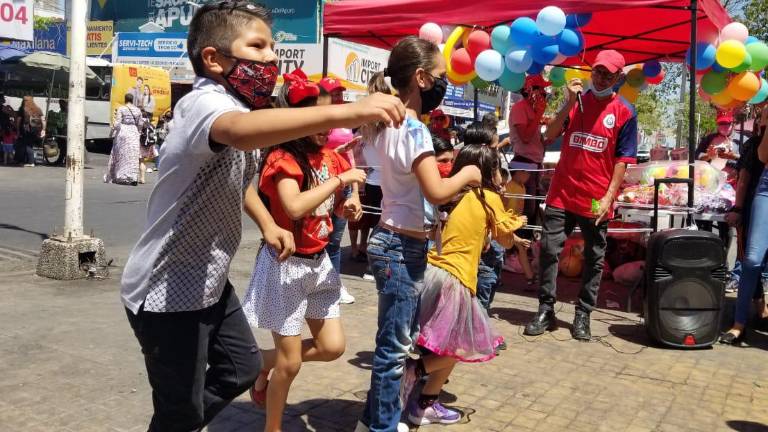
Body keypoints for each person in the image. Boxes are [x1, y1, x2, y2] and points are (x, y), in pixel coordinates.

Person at [120, 3, 404, 431]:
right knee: (180, 413)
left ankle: (183, 415)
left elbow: (242, 182)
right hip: (165, 289)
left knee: (242, 367)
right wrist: (353, 109)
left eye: (272, 46)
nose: (271, 57)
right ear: (214, 59)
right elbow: (237, 131)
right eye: (257, 46)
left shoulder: (241, 114)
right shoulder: (204, 104)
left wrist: (268, 225)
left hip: (209, 284)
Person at [355, 36, 481, 432]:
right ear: (423, 79)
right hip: (399, 245)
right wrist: (467, 173)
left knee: (394, 346)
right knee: (394, 351)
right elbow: (437, 191)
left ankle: (373, 420)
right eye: (442, 77)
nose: (447, 84)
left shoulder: (385, 125)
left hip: (396, 240)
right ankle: (382, 427)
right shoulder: (413, 130)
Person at [241, 69, 366, 431]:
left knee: (332, 347)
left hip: (320, 264)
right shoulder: (284, 157)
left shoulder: (329, 155)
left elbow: (339, 202)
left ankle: (260, 363)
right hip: (285, 266)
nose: (327, 124)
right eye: (318, 117)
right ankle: (273, 425)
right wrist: (341, 182)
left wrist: (350, 203)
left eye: (329, 116)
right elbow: (294, 206)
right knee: (291, 363)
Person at [404, 144, 525, 425]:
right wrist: (516, 222)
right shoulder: (487, 197)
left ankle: (424, 404)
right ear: (486, 172)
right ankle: (413, 371)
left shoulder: (455, 193)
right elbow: (504, 240)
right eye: (498, 169)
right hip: (454, 280)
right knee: (465, 347)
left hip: (432, 273)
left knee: (448, 349)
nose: (502, 176)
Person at [524, 50, 638, 341]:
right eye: (598, 72)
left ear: (619, 78)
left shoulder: (625, 111)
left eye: (608, 74)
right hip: (562, 193)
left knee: (593, 257)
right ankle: (546, 309)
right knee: (549, 250)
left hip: (595, 198)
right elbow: (548, 135)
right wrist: (568, 103)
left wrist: (609, 197)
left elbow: (623, 160)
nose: (601, 78)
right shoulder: (576, 103)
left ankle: (583, 313)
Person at [720, 112, 768, 345]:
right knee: (751, 259)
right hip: (765, 190)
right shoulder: (755, 141)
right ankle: (739, 324)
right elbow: (763, 155)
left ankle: (760, 313)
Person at [318, 77, 359, 304]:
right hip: (324, 184)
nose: (338, 97)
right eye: (333, 93)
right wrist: (337, 150)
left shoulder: (345, 118)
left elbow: (349, 156)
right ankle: (320, 286)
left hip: (343, 185)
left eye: (340, 92)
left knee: (334, 241)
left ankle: (334, 286)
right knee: (320, 238)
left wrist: (354, 189)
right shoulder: (319, 118)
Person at [508, 75, 551, 220]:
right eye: (542, 90)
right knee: (526, 209)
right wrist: (539, 114)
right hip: (524, 163)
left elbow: (535, 141)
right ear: (531, 90)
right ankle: (520, 240)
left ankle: (529, 240)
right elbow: (525, 137)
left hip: (533, 163)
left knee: (534, 206)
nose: (544, 93)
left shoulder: (532, 110)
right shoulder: (520, 108)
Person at [504, 162, 537, 289]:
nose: (529, 176)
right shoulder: (508, 186)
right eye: (527, 172)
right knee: (519, 248)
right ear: (519, 172)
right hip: (507, 223)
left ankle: (529, 277)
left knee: (521, 248)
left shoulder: (522, 186)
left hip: (517, 223)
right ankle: (529, 276)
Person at [104, 93, 144, 185]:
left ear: (125, 99)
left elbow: (117, 123)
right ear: (132, 100)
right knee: (133, 156)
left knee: (121, 155)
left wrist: (113, 131)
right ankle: (133, 177)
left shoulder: (121, 109)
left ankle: (120, 176)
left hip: (123, 132)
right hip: (133, 133)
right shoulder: (137, 110)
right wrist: (138, 131)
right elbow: (140, 124)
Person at [14, 96, 45, 167]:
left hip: (26, 129)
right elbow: (43, 120)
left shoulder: (22, 109)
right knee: (29, 144)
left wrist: (18, 130)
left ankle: (31, 162)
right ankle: (27, 160)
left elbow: (18, 120)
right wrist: (43, 129)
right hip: (36, 129)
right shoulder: (38, 109)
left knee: (27, 145)